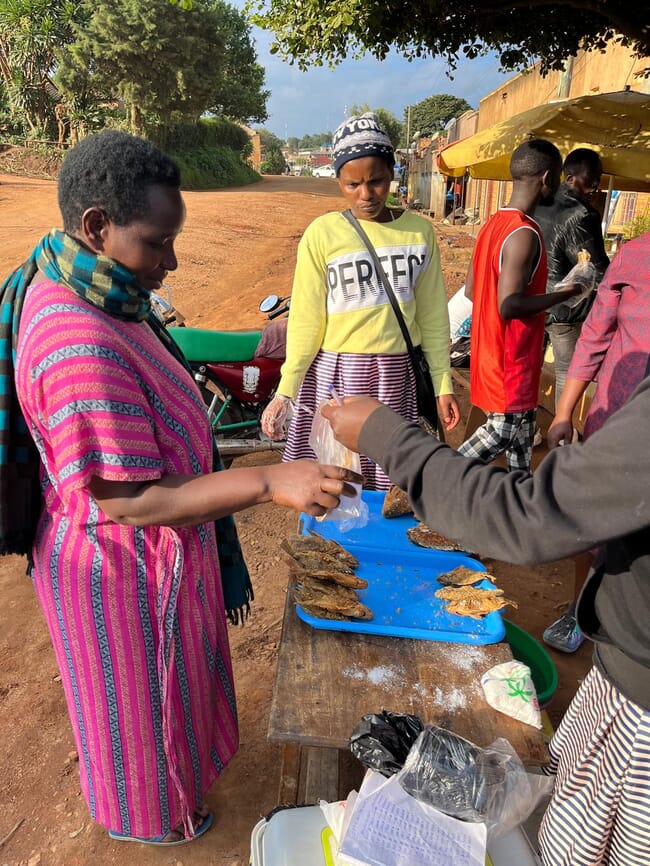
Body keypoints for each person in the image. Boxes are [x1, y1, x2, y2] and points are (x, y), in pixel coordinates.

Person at [2, 130, 360, 846]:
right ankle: (153, 820)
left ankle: (171, 788)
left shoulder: (95, 283)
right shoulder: (79, 344)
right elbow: (129, 501)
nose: (169, 262)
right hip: (118, 570)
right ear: (97, 225)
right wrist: (265, 480)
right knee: (138, 711)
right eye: (157, 243)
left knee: (160, 698)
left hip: (147, 557)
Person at [321, 381, 650, 866]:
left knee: (582, 850)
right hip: (624, 675)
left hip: (638, 720)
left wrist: (387, 438)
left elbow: (533, 514)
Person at [261, 111, 460, 489]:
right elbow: (306, 319)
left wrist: (442, 384)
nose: (366, 195)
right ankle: (334, 546)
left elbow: (434, 317)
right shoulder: (322, 234)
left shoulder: (419, 233)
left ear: (392, 173)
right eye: (352, 184)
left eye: (377, 181)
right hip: (339, 376)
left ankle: (377, 547)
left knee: (389, 476)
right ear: (338, 180)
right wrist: (286, 391)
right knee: (337, 478)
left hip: (395, 374)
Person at [542, 230, 650, 653]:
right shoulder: (635, 256)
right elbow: (594, 337)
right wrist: (564, 413)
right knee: (591, 521)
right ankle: (578, 610)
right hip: (615, 420)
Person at [457, 139, 580, 472]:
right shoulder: (524, 232)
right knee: (502, 430)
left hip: (495, 355)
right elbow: (509, 305)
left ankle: (523, 500)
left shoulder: (492, 226)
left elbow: (472, 290)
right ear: (546, 177)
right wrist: (566, 292)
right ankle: (430, 477)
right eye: (557, 176)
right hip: (509, 360)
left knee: (522, 437)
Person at [534, 148, 610, 408]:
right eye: (593, 179)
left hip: (533, 300)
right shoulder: (582, 215)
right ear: (570, 177)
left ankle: (527, 428)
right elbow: (598, 270)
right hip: (564, 309)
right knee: (568, 371)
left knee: (531, 366)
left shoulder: (540, 201)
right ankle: (562, 432)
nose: (596, 186)